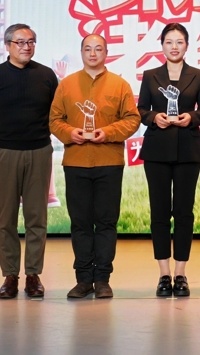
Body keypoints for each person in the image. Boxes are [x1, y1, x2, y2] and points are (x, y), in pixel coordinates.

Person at [49, 34, 140, 299]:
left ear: (106, 52)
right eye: (88, 49)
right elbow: (54, 120)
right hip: (76, 162)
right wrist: (70, 133)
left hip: (109, 162)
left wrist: (108, 132)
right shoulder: (66, 85)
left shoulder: (119, 85)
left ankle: (102, 280)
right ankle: (83, 280)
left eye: (98, 49)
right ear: (81, 52)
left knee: (106, 223)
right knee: (80, 224)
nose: (92, 53)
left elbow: (132, 119)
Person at [0, 23, 59, 300]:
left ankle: (33, 274)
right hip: (5, 153)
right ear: (8, 45)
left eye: (31, 42)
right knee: (6, 217)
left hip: (39, 151)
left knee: (37, 216)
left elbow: (57, 113)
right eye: (20, 42)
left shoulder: (46, 75)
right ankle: (10, 275)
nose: (26, 47)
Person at [137, 23, 200, 298]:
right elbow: (141, 109)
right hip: (156, 149)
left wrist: (190, 117)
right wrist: (153, 117)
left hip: (187, 150)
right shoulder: (150, 75)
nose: (174, 47)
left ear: (187, 46)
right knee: (159, 212)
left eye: (179, 42)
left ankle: (180, 273)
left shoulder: (198, 75)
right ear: (162, 46)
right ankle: (163, 273)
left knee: (183, 212)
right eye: (169, 42)